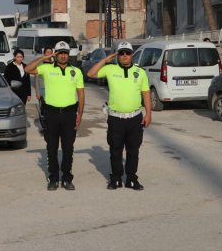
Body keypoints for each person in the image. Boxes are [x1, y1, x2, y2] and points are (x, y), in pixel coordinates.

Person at [86, 41, 152, 191]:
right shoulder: (110, 69)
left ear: (132, 55)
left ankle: (131, 178)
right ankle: (115, 179)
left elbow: (146, 94)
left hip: (135, 117)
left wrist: (148, 114)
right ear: (117, 55)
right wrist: (105, 60)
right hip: (116, 118)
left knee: (133, 150)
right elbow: (91, 73)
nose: (124, 55)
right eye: (121, 53)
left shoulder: (140, 72)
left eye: (127, 53)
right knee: (115, 150)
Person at [25, 41, 85, 191]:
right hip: (51, 114)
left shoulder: (76, 71)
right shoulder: (46, 68)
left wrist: (80, 114)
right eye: (60, 53)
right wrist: (45, 57)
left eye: (65, 53)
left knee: (68, 148)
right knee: (51, 148)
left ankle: (67, 178)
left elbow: (81, 94)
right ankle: (53, 178)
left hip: (69, 114)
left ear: (69, 54)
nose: (63, 55)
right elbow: (27, 69)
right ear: (55, 54)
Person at [33, 47, 54, 132]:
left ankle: (51, 125)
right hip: (42, 90)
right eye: (47, 52)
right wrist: (38, 92)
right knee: (43, 108)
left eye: (50, 52)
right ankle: (43, 126)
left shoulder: (54, 66)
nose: (48, 54)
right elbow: (36, 81)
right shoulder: (40, 65)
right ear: (44, 54)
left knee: (52, 109)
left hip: (52, 90)